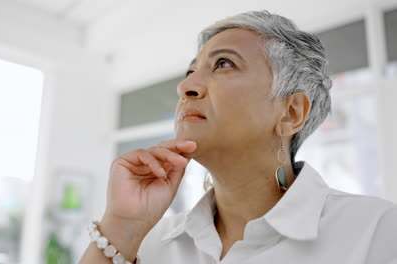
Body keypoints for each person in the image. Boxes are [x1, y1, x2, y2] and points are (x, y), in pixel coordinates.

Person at [80, 10, 397, 264]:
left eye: (223, 64)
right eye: (190, 72)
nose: (185, 87)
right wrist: (121, 226)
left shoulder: (379, 233)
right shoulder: (144, 244)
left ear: (290, 114)